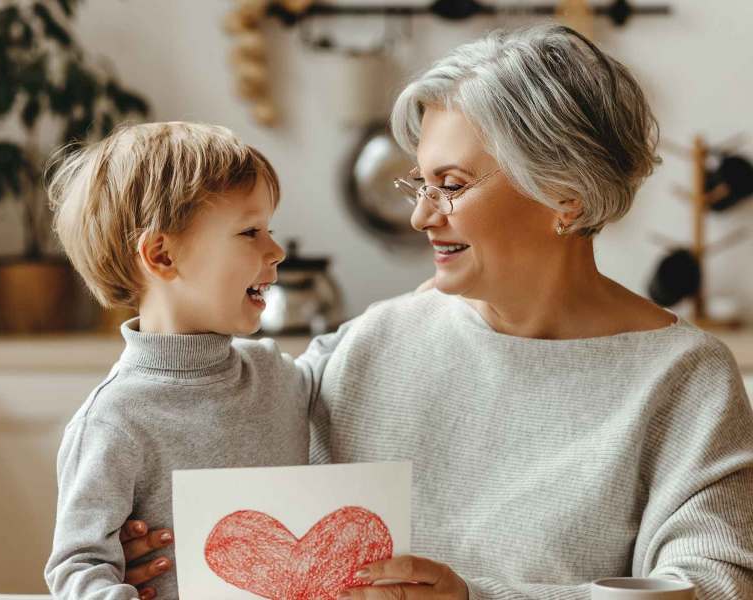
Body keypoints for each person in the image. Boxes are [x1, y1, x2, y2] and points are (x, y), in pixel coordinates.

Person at [120, 25, 753, 599]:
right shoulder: (375, 341)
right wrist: (154, 535)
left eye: (449, 186)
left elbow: (712, 590)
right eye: (419, 185)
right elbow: (233, 462)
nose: (422, 216)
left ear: (566, 193)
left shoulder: (684, 379)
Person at [43, 122, 313, 600]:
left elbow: (355, 349)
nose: (277, 250)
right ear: (162, 255)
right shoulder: (114, 419)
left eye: (269, 229)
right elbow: (78, 568)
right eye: (250, 231)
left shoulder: (276, 374)